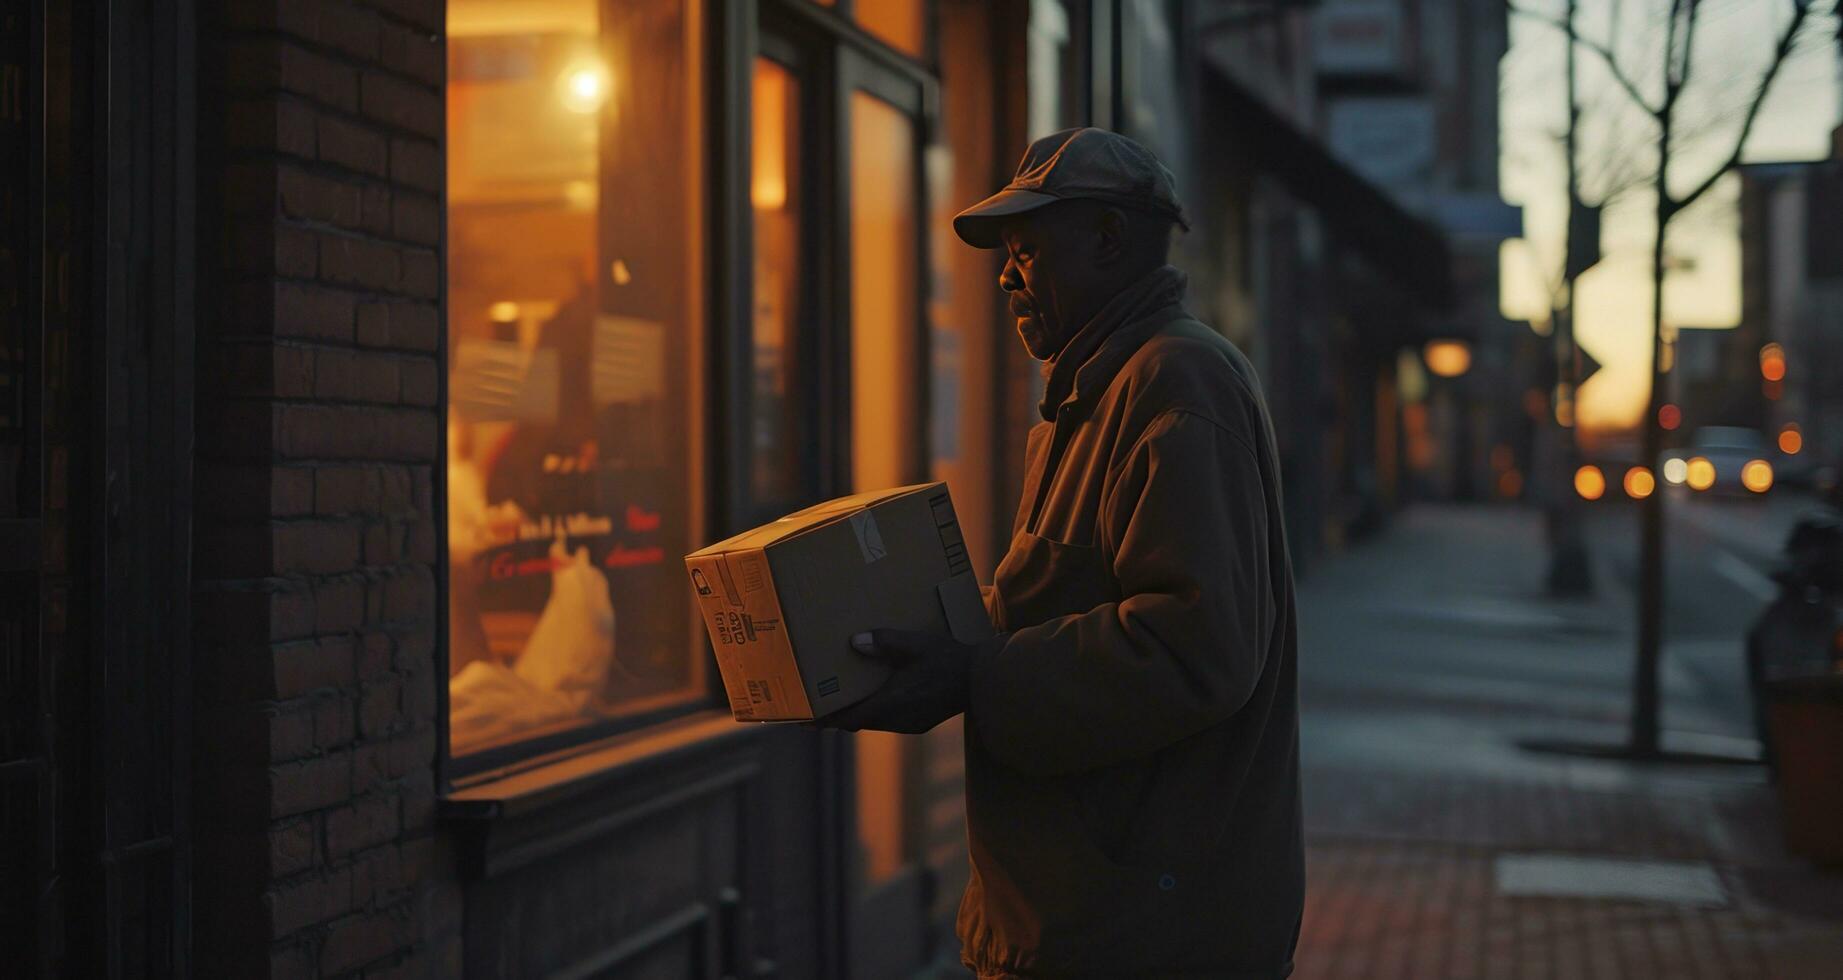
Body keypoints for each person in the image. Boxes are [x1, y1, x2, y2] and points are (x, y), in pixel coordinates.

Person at [819, 127, 1304, 978]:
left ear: (1108, 242)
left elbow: (1195, 650)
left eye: (1027, 250)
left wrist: (974, 673)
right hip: (1077, 924)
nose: (1006, 275)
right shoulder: (1098, 390)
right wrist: (932, 657)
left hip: (1138, 939)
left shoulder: (1176, 382)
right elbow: (1059, 613)